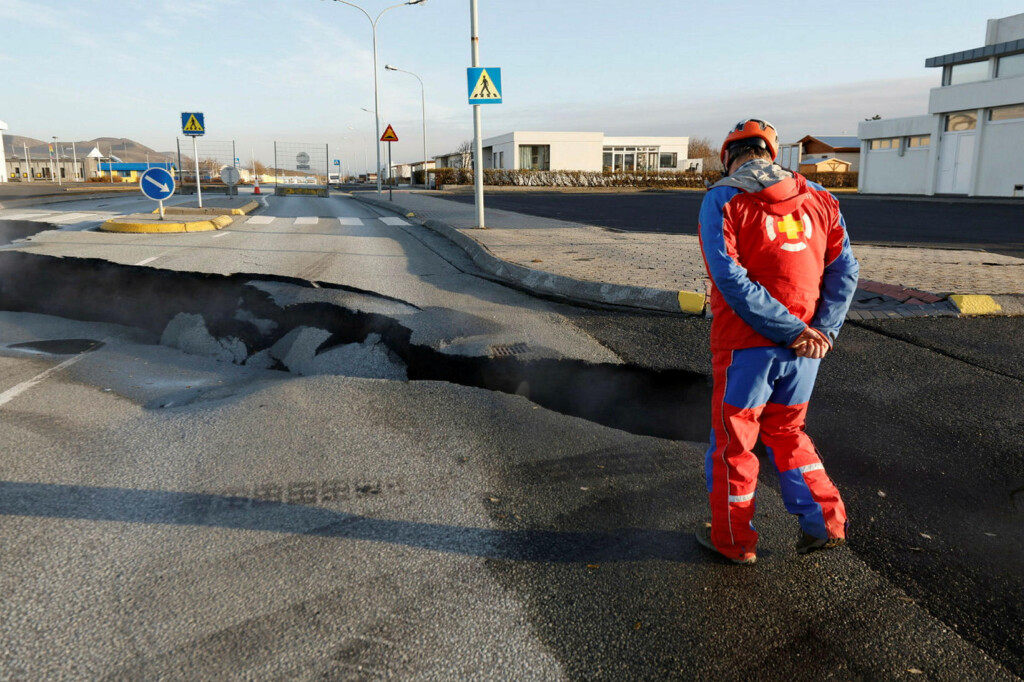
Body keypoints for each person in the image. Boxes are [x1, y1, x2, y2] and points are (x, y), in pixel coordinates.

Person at [695, 118, 859, 565]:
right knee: (788, 431)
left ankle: (733, 541)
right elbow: (846, 270)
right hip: (806, 350)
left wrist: (788, 328)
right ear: (771, 152)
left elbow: (728, 276)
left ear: (730, 155)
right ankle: (825, 522)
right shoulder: (822, 200)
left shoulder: (723, 199)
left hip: (745, 348)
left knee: (734, 443)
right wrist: (821, 330)